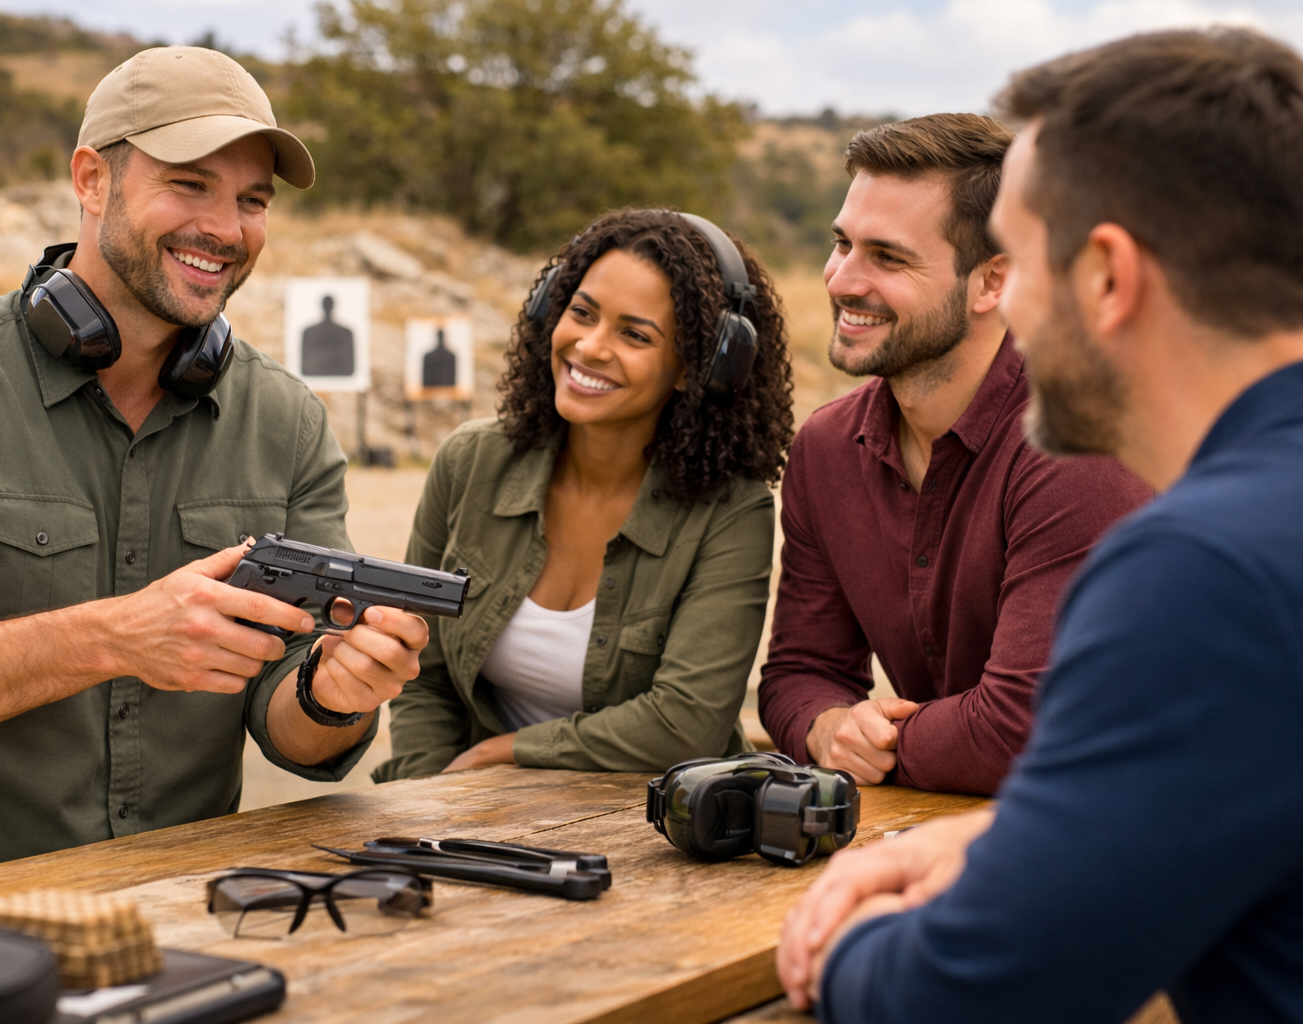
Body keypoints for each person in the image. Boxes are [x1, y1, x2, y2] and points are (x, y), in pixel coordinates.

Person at [0, 46, 427, 899]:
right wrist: (116, 637)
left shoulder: (289, 420)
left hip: (176, 907)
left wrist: (330, 691)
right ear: (91, 180)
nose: (227, 229)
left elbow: (294, 726)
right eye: (190, 184)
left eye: (253, 200)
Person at [779, 28, 1303, 1022]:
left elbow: (973, 992)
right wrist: (992, 840)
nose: (1008, 304)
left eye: (1021, 259)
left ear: (1106, 274)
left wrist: (841, 942)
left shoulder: (1203, 570)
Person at [757, 113, 1149, 795]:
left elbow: (1021, 729)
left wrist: (883, 745)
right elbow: (798, 671)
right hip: (960, 829)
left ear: (993, 282)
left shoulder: (1077, 444)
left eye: (888, 257)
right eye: (841, 244)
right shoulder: (825, 450)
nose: (842, 280)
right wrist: (827, 727)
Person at [373, 209, 796, 780]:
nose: (590, 347)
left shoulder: (732, 511)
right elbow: (423, 668)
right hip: (475, 811)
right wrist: (426, 802)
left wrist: (505, 752)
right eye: (582, 313)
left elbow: (684, 722)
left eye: (635, 335)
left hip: (656, 828)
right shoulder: (470, 462)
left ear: (698, 368)